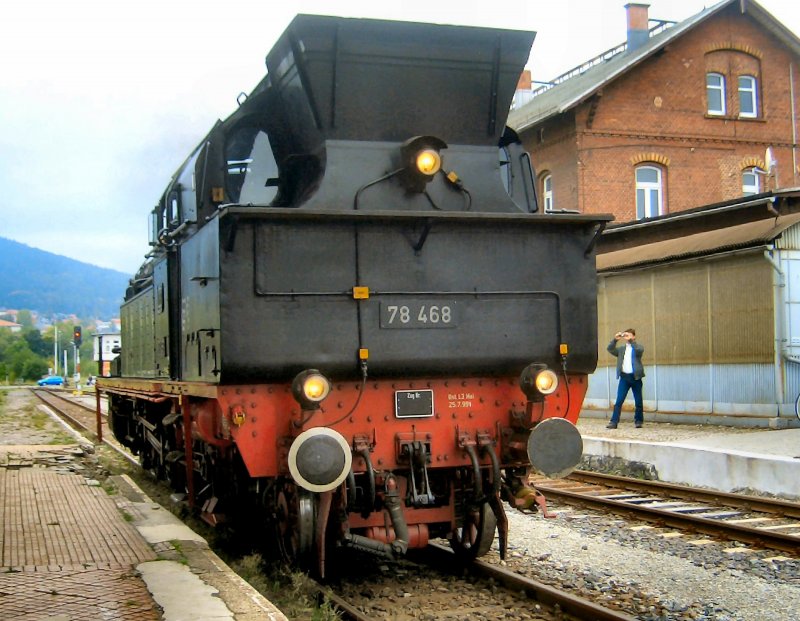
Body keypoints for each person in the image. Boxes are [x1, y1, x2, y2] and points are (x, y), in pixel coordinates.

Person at [606, 328, 645, 429]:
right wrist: (615, 339)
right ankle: (614, 422)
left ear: (634, 336)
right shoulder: (621, 349)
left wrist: (631, 341)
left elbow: (639, 351)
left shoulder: (637, 347)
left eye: (629, 335)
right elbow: (610, 349)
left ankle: (638, 421)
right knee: (619, 401)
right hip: (624, 378)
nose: (626, 337)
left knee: (638, 401)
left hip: (636, 377)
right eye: (625, 335)